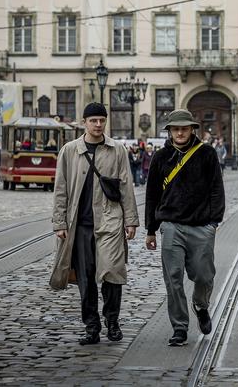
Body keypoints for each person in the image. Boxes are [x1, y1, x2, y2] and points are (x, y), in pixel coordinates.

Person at [50, 102, 139, 345]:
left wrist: (130, 220)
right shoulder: (69, 150)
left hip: (110, 220)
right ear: (85, 122)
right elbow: (60, 190)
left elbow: (126, 186)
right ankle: (91, 326)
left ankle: (112, 321)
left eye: (102, 120)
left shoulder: (117, 149)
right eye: (93, 121)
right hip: (79, 224)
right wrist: (59, 222)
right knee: (86, 278)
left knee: (112, 273)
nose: (98, 125)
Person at [145, 109, 225, 347]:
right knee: (173, 279)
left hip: (201, 226)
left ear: (192, 129)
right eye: (175, 129)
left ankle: (200, 305)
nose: (180, 132)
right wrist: (151, 229)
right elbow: (152, 195)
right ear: (169, 131)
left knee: (203, 275)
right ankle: (179, 327)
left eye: (184, 128)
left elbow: (216, 189)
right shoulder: (160, 158)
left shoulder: (207, 154)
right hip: (171, 226)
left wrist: (213, 222)